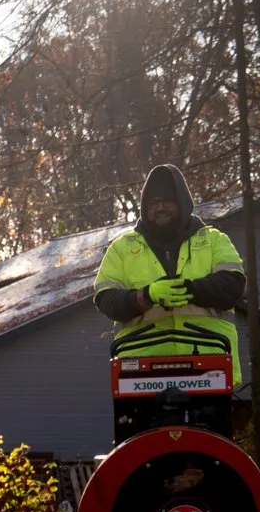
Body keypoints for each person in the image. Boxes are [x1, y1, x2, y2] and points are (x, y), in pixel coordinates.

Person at [93, 163, 246, 380]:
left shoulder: (214, 241)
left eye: (167, 201)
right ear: (144, 208)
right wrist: (146, 296)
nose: (160, 208)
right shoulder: (121, 249)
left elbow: (233, 284)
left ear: (182, 203)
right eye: (153, 203)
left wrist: (191, 290)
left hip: (209, 363)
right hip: (141, 368)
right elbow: (106, 299)